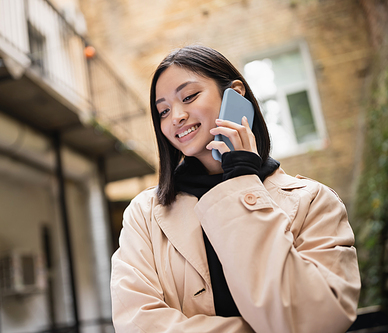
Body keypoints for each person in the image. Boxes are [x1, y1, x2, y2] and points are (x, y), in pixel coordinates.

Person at [110, 45, 361, 333]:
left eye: (189, 96)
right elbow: (137, 324)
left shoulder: (314, 201)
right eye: (163, 111)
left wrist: (242, 183)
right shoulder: (144, 215)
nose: (176, 116)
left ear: (236, 94)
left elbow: (320, 320)